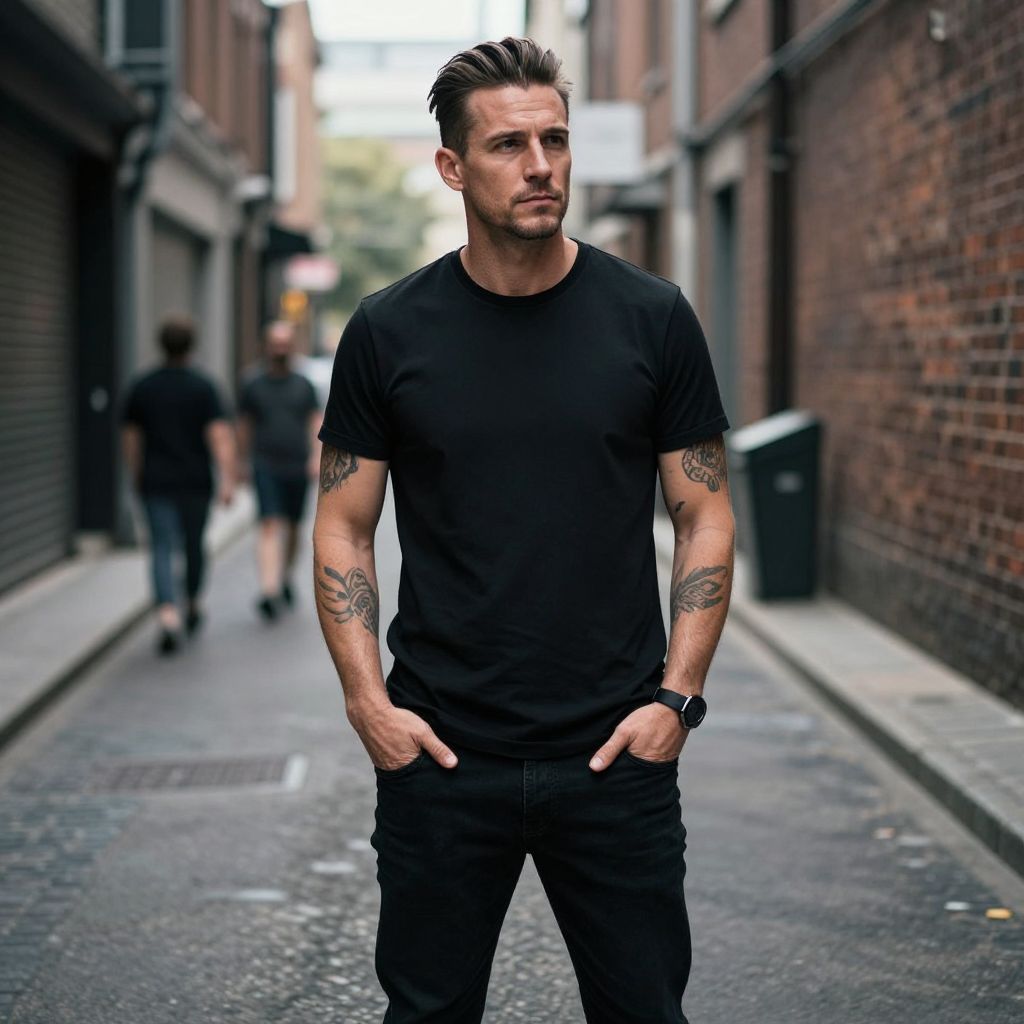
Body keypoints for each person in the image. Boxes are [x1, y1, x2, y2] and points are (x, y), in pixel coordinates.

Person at [313, 37, 735, 1024]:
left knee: (644, 1012)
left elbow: (704, 510)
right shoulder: (388, 331)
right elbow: (341, 527)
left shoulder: (651, 318)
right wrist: (369, 704)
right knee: (426, 1012)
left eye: (555, 138)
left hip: (614, 750)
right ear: (453, 167)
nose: (541, 165)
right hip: (442, 754)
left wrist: (677, 698)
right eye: (509, 145)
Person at [122, 315, 235, 655]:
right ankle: (193, 601)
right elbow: (219, 436)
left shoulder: (143, 386)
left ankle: (167, 614)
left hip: (156, 481)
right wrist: (227, 479)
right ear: (192, 345)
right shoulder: (203, 386)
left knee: (159, 547)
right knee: (193, 545)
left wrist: (135, 475)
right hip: (195, 482)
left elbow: (131, 439)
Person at [238, 320, 322, 620]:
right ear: (266, 346)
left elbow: (315, 422)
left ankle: (284, 576)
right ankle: (269, 590)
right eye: (275, 343)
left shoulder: (304, 384)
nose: (280, 349)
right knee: (269, 523)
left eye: (285, 343)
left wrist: (316, 457)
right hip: (265, 464)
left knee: (294, 527)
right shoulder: (252, 384)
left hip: (297, 464)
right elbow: (244, 426)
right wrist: (241, 462)